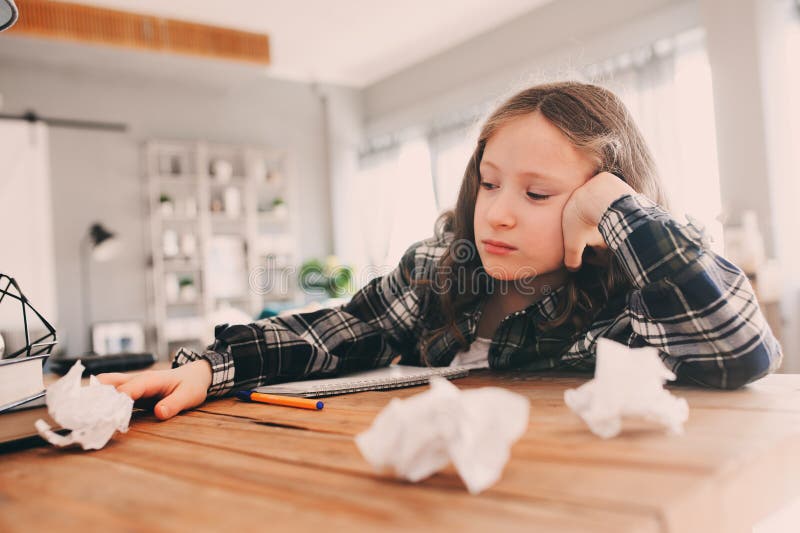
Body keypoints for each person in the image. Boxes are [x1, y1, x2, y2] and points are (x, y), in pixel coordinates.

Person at [98, 81, 783, 420]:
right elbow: (338, 330)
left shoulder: (628, 306)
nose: (499, 212)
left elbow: (739, 347)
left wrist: (614, 206)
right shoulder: (439, 269)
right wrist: (215, 365)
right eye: (488, 183)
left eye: (539, 195)